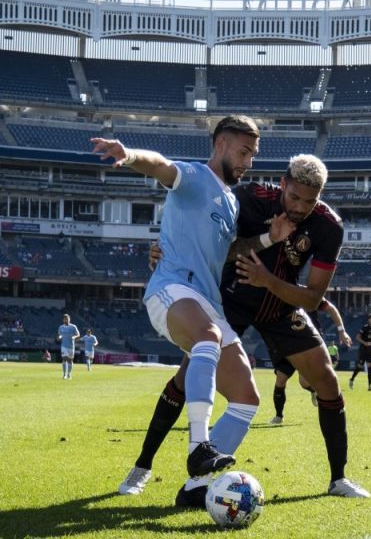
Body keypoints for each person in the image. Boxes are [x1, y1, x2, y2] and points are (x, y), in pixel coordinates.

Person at [117, 154, 370, 504]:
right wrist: (168, 252)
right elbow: (212, 244)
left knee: (326, 378)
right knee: (187, 375)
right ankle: (142, 467)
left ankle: (338, 478)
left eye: (309, 201)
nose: (300, 207)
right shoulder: (250, 198)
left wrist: (267, 280)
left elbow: (313, 299)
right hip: (229, 300)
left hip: (280, 304)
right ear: (283, 184)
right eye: (294, 197)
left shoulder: (329, 227)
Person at [95, 115, 260, 482]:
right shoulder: (195, 177)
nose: (249, 162)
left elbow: (226, 251)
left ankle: (197, 487)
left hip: (208, 304)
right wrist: (130, 154)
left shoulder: (231, 202)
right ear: (220, 145)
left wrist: (270, 238)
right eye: (244, 152)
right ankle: (199, 449)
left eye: (253, 154)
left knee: (247, 398)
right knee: (208, 338)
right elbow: (161, 166)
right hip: (171, 290)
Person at [270, 298, 352, 424]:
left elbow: (331, 308)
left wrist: (342, 331)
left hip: (307, 342)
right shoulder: (275, 295)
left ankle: (314, 391)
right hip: (286, 343)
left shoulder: (305, 294)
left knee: (303, 382)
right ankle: (279, 416)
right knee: (280, 380)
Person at [349, 313, 371, 391]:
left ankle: (369, 385)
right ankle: (351, 379)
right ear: (369, 320)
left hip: (370, 351)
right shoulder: (365, 328)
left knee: (370, 367)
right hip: (363, 350)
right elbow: (357, 337)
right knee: (360, 366)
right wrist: (365, 343)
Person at [57, 314, 80, 380]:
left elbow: (78, 334)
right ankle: (64, 374)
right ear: (63, 320)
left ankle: (69, 374)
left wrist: (74, 337)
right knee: (64, 359)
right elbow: (60, 335)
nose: (66, 320)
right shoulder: (61, 327)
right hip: (64, 346)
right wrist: (59, 337)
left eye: (67, 319)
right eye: (65, 319)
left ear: (69, 319)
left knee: (70, 360)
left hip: (71, 346)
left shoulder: (73, 326)